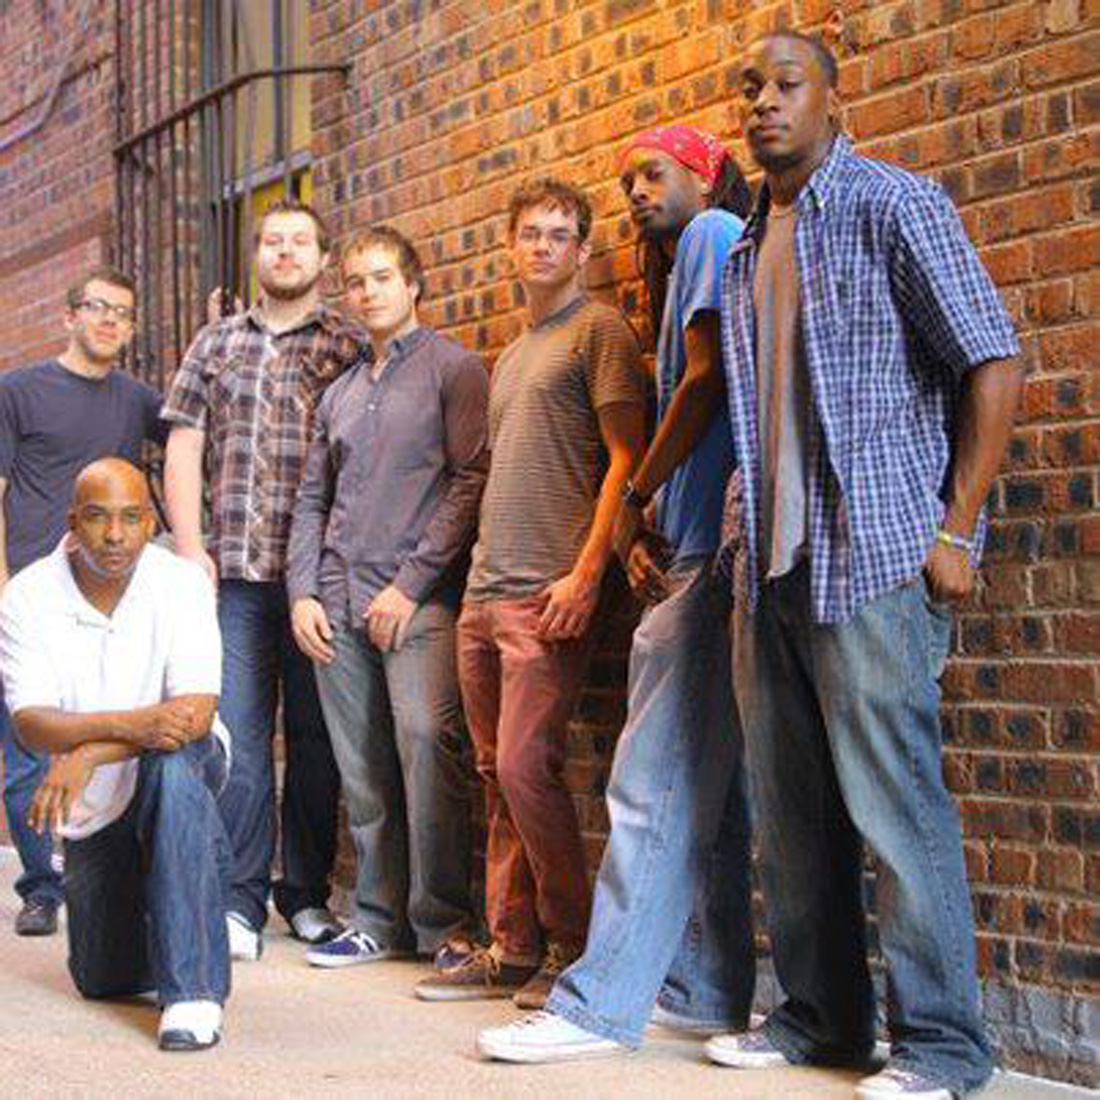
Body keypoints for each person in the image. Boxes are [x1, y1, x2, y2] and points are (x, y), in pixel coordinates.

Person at [705, 32, 1024, 1100]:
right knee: (791, 810)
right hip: (774, 569)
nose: (761, 104)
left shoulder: (895, 205)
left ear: (832, 100)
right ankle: (818, 1020)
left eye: (785, 85)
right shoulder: (748, 243)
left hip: (877, 553)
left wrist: (954, 530)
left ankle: (941, 1046)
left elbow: (990, 357)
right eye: (747, 88)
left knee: (896, 806)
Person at [477, 127, 759, 1063]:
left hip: (711, 552)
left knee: (650, 777)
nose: (639, 189)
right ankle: (705, 986)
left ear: (704, 173)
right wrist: (649, 530)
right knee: (707, 792)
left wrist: (631, 507)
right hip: (686, 546)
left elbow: (708, 385)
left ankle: (597, 1000)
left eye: (655, 173)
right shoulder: (678, 267)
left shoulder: (716, 232)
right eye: (629, 176)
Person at [415, 179, 646, 1006]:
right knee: (495, 771)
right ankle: (512, 946)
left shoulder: (600, 332)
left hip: (549, 592)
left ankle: (576, 950)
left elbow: (628, 459)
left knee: (525, 766)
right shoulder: (511, 356)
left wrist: (591, 572)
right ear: (511, 246)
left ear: (582, 251)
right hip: (485, 591)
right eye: (531, 233)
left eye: (560, 234)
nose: (544, 245)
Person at [163, 199, 364, 958]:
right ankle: (240, 900)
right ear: (257, 255)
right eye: (273, 241)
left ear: (322, 256)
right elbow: (185, 445)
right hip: (239, 578)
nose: (285, 252)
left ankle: (305, 896)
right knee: (242, 741)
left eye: (300, 242)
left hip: (318, 580)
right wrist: (190, 546)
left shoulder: (347, 343)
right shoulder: (216, 342)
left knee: (316, 742)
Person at [287, 226, 487, 968]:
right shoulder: (338, 393)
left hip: (418, 602)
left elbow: (470, 481)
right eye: (356, 281)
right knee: (364, 767)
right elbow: (311, 501)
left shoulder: (454, 370)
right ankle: (376, 915)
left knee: (427, 748)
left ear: (414, 286)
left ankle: (442, 924)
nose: (366, 291)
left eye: (380, 278)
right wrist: (303, 591)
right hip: (336, 600)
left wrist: (410, 586)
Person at [0, 458, 232, 1051]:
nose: (114, 535)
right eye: (99, 518)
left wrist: (85, 752)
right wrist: (124, 731)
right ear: (73, 521)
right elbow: (31, 723)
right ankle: (187, 887)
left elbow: (193, 717)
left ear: (151, 522)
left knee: (174, 767)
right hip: (97, 809)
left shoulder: (181, 583)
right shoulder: (28, 596)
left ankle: (192, 993)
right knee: (104, 980)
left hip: (180, 766)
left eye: (131, 519)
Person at [0, 267, 166, 937]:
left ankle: (105, 868)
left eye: (121, 313)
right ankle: (42, 884)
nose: (108, 321)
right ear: (70, 316)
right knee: (26, 742)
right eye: (96, 307)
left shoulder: (137, 400)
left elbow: (191, 435)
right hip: (34, 592)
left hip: (108, 596)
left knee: (105, 731)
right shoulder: (18, 391)